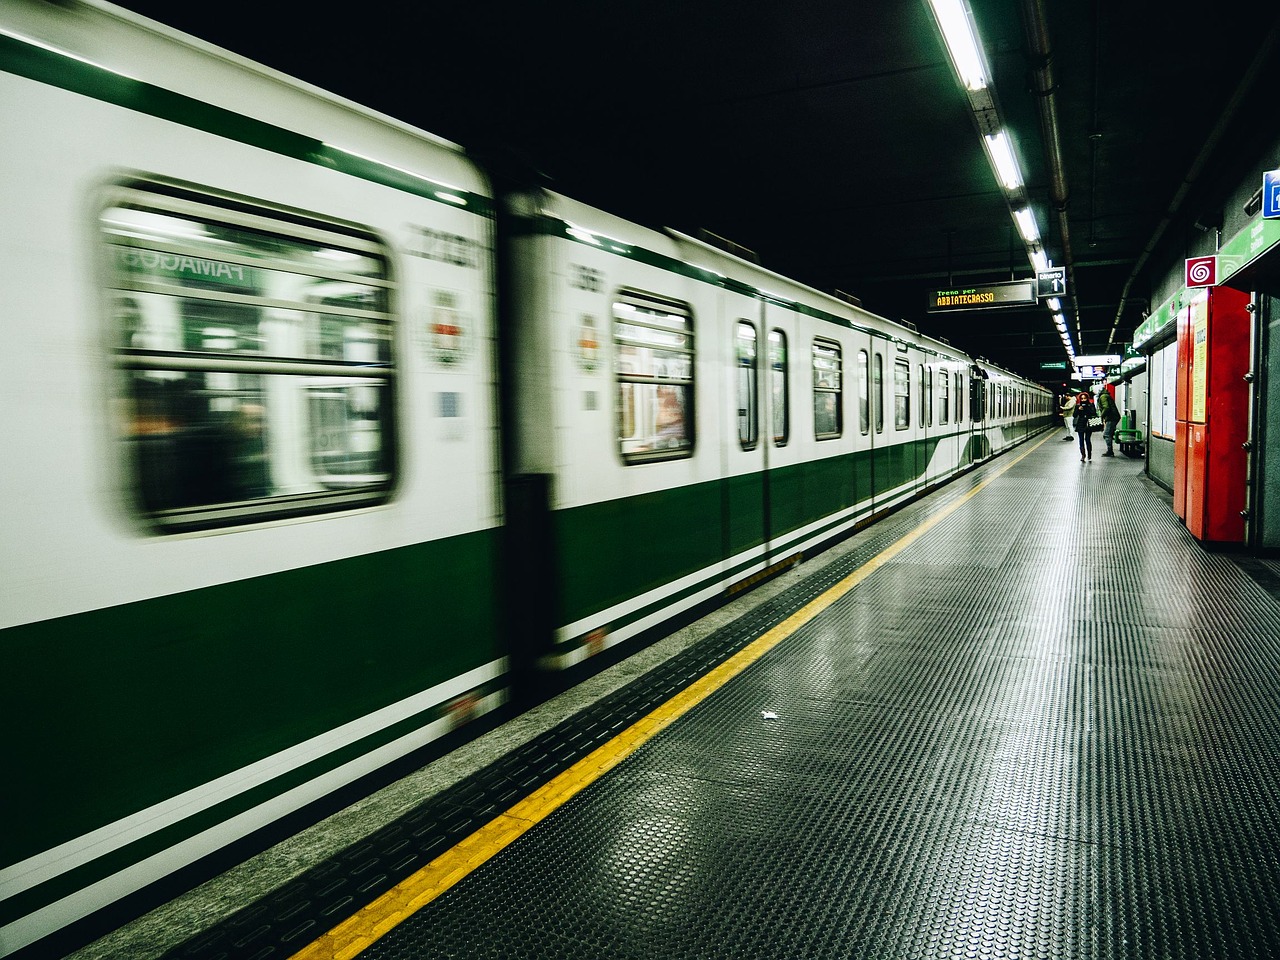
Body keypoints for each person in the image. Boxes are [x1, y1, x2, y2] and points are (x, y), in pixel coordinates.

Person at [1072, 391, 1097, 462]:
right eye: (1082, 399)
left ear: (1087, 398)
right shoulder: (1078, 406)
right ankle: (1083, 455)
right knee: (1081, 440)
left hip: (1089, 423)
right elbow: (1074, 415)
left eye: (1084, 398)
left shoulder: (1091, 405)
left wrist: (1087, 408)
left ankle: (1089, 454)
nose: (1083, 400)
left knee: (1088, 439)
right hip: (1080, 423)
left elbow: (1094, 413)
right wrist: (1078, 409)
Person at [1097, 387, 1121, 456]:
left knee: (1106, 434)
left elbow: (1106, 407)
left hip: (1111, 417)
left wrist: (1102, 416)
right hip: (1113, 417)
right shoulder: (1105, 395)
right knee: (1109, 434)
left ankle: (1110, 451)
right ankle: (1110, 450)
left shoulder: (1103, 396)